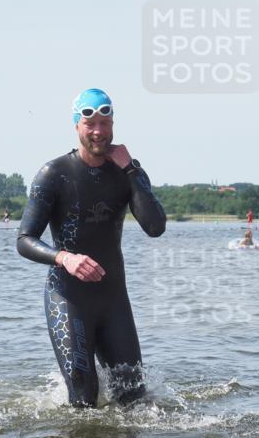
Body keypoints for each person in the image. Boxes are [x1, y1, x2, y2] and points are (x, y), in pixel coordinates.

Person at [18, 88, 166, 407]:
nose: (98, 131)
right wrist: (64, 257)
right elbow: (24, 240)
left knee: (134, 398)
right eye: (90, 124)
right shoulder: (53, 174)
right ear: (77, 126)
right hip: (69, 296)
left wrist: (130, 170)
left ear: (113, 125)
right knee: (83, 398)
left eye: (105, 123)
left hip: (114, 300)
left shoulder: (128, 171)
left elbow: (155, 227)